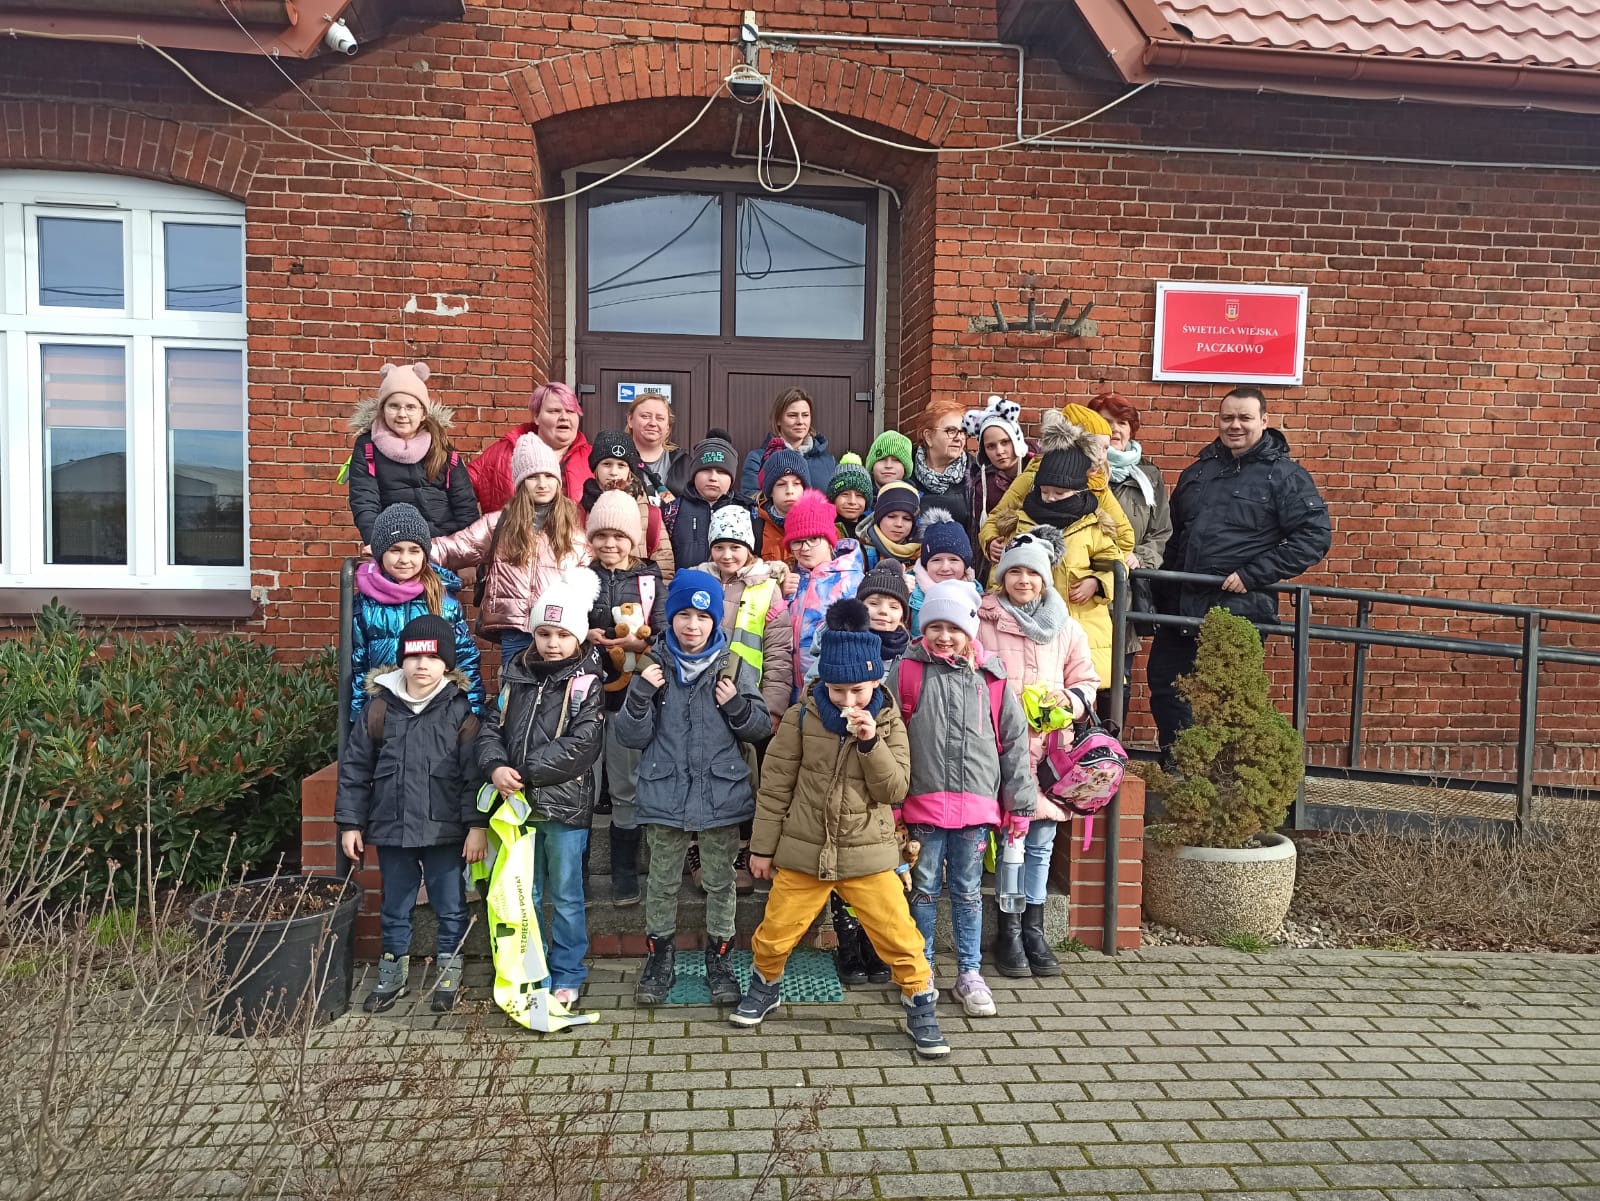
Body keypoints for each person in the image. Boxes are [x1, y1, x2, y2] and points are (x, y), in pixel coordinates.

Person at [733, 600, 950, 1059]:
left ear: (875, 681)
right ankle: (765, 985)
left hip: (868, 852)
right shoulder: (801, 717)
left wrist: (871, 743)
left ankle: (920, 1004)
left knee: (899, 935)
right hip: (804, 849)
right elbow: (775, 785)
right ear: (823, 682)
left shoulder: (888, 720)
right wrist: (762, 848)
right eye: (837, 690)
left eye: (857, 690)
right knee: (776, 931)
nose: (848, 701)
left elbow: (894, 788)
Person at [615, 570, 773, 1006]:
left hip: (720, 795)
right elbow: (629, 736)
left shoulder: (734, 666)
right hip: (664, 792)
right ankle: (659, 961)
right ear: (671, 618)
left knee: (721, 882)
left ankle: (719, 962)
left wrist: (736, 706)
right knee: (662, 882)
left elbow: (759, 727)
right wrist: (639, 696)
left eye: (703, 617)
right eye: (684, 615)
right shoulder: (650, 666)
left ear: (715, 621)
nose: (692, 625)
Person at [1151, 386, 1331, 756]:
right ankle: (1179, 772)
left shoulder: (1285, 476)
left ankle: (1221, 780)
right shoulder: (1198, 473)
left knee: (1226, 700)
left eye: (1245, 418)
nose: (1235, 425)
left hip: (1238, 610)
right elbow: (1174, 538)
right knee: (1167, 688)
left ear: (1264, 421)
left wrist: (1253, 574)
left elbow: (1314, 536)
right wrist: (1157, 595)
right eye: (1227, 417)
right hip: (1180, 608)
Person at [891, 580, 1035, 1018]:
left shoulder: (990, 678)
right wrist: (892, 804)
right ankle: (922, 971)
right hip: (923, 806)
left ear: (969, 631)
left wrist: (1019, 804)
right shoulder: (907, 671)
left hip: (976, 807)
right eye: (934, 626)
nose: (944, 636)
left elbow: (1014, 742)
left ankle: (970, 973)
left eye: (953, 627)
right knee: (923, 891)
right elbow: (890, 739)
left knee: (969, 892)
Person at [336, 613, 485, 1014]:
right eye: (414, 656)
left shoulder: (461, 713)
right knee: (395, 905)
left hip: (444, 830)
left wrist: (476, 826)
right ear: (401, 659)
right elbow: (355, 770)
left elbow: (473, 777)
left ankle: (449, 970)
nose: (422, 665)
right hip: (392, 827)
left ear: (446, 664)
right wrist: (350, 823)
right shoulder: (377, 710)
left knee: (450, 905)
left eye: (433, 658)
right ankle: (392, 973)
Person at [477, 569, 606, 1009]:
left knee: (566, 895)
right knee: (523, 894)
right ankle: (530, 968)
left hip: (565, 808)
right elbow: (492, 728)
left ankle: (568, 971)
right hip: (517, 806)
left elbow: (583, 743)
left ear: (578, 637)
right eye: (544, 633)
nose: (553, 643)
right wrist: (495, 766)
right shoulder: (515, 676)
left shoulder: (586, 683)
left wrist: (524, 770)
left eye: (563, 635)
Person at [976, 528, 1098, 979]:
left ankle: (1034, 928)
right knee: (1010, 839)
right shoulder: (983, 619)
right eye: (1015, 572)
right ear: (1002, 576)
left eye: (1032, 573)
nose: (1023, 580)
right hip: (998, 748)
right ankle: (1007, 930)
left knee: (1041, 842)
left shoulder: (1066, 626)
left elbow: (1086, 680)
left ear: (1045, 578)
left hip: (1048, 751)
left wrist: (1070, 700)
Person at [431, 434, 590, 663]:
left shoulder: (573, 534)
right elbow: (454, 547)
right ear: (521, 483)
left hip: (556, 632)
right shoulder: (498, 524)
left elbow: (588, 583)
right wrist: (411, 548)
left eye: (548, 476)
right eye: (533, 477)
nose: (542, 484)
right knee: (513, 684)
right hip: (514, 630)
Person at [583, 491, 667, 907]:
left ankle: (624, 872)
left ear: (633, 539)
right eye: (601, 535)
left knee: (625, 786)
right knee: (583, 784)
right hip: (584, 696)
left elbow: (666, 634)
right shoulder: (581, 576)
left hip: (629, 699)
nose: (610, 544)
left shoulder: (650, 580)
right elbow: (555, 628)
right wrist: (583, 634)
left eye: (619, 536)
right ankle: (577, 871)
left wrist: (642, 645)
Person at [349, 503, 482, 722]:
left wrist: (472, 713)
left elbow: (465, 657)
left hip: (436, 712)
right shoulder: (365, 604)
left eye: (414, 550)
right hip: (385, 712)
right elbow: (359, 664)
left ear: (425, 554)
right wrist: (358, 718)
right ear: (381, 553)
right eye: (395, 550)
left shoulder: (443, 600)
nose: (405, 559)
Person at [1089, 391, 1172, 720]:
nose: (1115, 430)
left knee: (1117, 675)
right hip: (1083, 586)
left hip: (1125, 592)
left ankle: (1110, 742)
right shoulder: (1080, 469)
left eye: (1122, 423)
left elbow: (1161, 532)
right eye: (1106, 423)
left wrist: (1141, 556)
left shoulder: (1149, 477)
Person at [979, 407, 1136, 565]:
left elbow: (1124, 537)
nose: (1102, 456)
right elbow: (995, 520)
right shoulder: (1032, 479)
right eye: (1095, 448)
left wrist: (1097, 571)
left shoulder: (1098, 486)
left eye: (1106, 448)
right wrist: (991, 541)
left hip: (1074, 576)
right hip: (1029, 570)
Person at [347, 361, 479, 545]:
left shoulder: (441, 446)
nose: (402, 414)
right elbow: (365, 501)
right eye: (394, 406)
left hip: (445, 544)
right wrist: (375, 543)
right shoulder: (368, 447)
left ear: (423, 413)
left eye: (410, 407)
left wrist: (467, 552)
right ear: (382, 410)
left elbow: (465, 504)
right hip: (396, 544)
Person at [779, 490, 865, 695]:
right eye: (797, 541)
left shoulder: (853, 582)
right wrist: (779, 593)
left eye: (814, 538)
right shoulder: (787, 577)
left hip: (831, 690)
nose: (805, 548)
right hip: (788, 689)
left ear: (829, 540)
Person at [469, 381, 594, 512]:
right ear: (536, 417)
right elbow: (460, 491)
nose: (564, 417)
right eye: (554, 411)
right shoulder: (505, 451)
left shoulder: (594, 458)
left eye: (570, 411)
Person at [581, 428, 675, 583]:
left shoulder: (648, 513)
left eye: (621, 465)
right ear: (595, 468)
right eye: (606, 464)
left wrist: (655, 595)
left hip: (636, 595)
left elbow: (664, 567)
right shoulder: (580, 510)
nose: (614, 472)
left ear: (630, 471)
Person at [666, 429, 756, 571]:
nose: (713, 477)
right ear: (694, 474)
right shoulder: (673, 510)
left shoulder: (747, 510)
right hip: (685, 583)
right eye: (706, 470)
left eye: (721, 472)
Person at [964, 395, 1031, 553]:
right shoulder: (982, 486)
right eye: (991, 446)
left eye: (1005, 442)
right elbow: (980, 531)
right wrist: (990, 543)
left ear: (1016, 440)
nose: (999, 451)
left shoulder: (1039, 470)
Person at [740, 386, 838, 494]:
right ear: (778, 419)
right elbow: (751, 499)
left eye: (805, 415)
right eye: (792, 415)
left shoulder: (829, 462)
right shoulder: (758, 459)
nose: (800, 421)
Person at [910, 402, 979, 537]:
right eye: (951, 431)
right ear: (928, 437)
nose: (959, 438)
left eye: (963, 432)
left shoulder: (976, 474)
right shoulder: (904, 469)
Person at [908, 514, 979, 636]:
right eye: (936, 560)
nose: (945, 568)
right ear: (926, 564)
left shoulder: (977, 593)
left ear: (965, 565)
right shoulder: (909, 590)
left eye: (953, 560)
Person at [754, 449, 809, 562]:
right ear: (770, 491)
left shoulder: (823, 525)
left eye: (796, 484)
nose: (789, 491)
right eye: (781, 484)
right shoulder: (754, 527)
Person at [856, 481, 921, 572]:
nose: (899, 524)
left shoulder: (925, 553)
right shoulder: (859, 553)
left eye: (907, 519)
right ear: (879, 518)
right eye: (891, 517)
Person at [625, 391, 680, 496]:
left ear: (668, 426)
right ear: (630, 420)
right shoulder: (616, 460)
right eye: (645, 416)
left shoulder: (684, 463)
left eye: (660, 418)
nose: (653, 423)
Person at [826, 457, 871, 539]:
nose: (852, 501)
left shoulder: (872, 531)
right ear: (833, 498)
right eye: (845, 494)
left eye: (859, 495)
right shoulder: (823, 529)